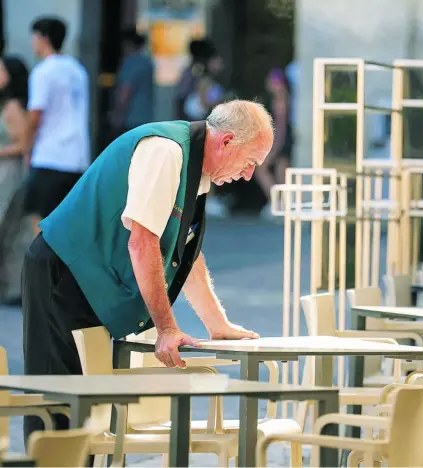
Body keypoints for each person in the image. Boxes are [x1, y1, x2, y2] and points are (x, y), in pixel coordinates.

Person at [22, 99, 274, 439]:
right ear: (226, 141)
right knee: (58, 410)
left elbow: (187, 256)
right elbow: (142, 243)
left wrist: (218, 324)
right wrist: (167, 329)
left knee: (91, 414)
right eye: (249, 162)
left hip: (91, 281)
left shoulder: (197, 169)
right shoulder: (167, 152)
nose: (248, 175)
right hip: (62, 270)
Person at [24, 16, 91, 234]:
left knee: (39, 221)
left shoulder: (43, 71)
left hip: (50, 156)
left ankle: (41, 268)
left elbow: (35, 116)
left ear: (42, 38)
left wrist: (27, 149)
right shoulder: (77, 70)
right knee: (67, 223)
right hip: (78, 159)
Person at [174, 39, 230, 218]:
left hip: (199, 123)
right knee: (205, 163)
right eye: (217, 59)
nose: (220, 63)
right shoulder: (204, 80)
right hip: (201, 124)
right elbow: (205, 101)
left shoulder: (193, 75)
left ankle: (202, 199)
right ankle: (208, 200)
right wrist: (223, 103)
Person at [0, 56, 33, 304]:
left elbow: (23, 144)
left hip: (8, 174)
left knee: (8, 228)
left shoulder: (12, 106)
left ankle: (11, 288)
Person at [255, 68, 293, 216]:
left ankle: (277, 203)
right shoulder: (282, 97)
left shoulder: (280, 100)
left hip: (280, 142)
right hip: (282, 141)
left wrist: (274, 149)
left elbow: (281, 127)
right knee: (279, 174)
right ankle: (280, 204)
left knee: (263, 170)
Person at [110, 27, 155, 137]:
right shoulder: (147, 62)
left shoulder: (130, 63)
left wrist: (117, 113)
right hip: (145, 116)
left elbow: (125, 91)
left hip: (130, 117)